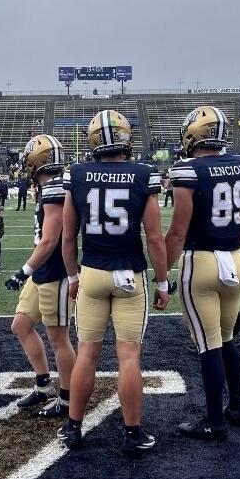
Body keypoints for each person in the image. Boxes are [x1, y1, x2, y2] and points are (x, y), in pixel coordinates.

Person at [57, 110, 170, 457]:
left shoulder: (76, 175)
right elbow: (153, 236)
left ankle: (74, 427)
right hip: (130, 275)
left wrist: (73, 276)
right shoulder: (143, 175)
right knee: (129, 356)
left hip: (91, 272)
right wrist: (163, 281)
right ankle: (132, 433)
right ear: (126, 139)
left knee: (88, 353)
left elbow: (67, 237)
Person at [163, 106, 240, 440]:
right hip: (234, 259)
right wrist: (231, 249)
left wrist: (161, 276)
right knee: (227, 339)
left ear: (193, 135)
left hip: (200, 261)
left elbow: (177, 233)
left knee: (208, 345)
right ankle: (237, 406)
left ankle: (215, 420)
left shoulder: (187, 169)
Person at [3, 134, 76, 418]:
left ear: (37, 160)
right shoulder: (48, 187)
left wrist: (24, 271)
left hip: (55, 270)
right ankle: (44, 384)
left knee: (59, 338)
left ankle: (68, 399)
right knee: (21, 325)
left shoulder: (56, 188)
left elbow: (50, 240)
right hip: (42, 269)